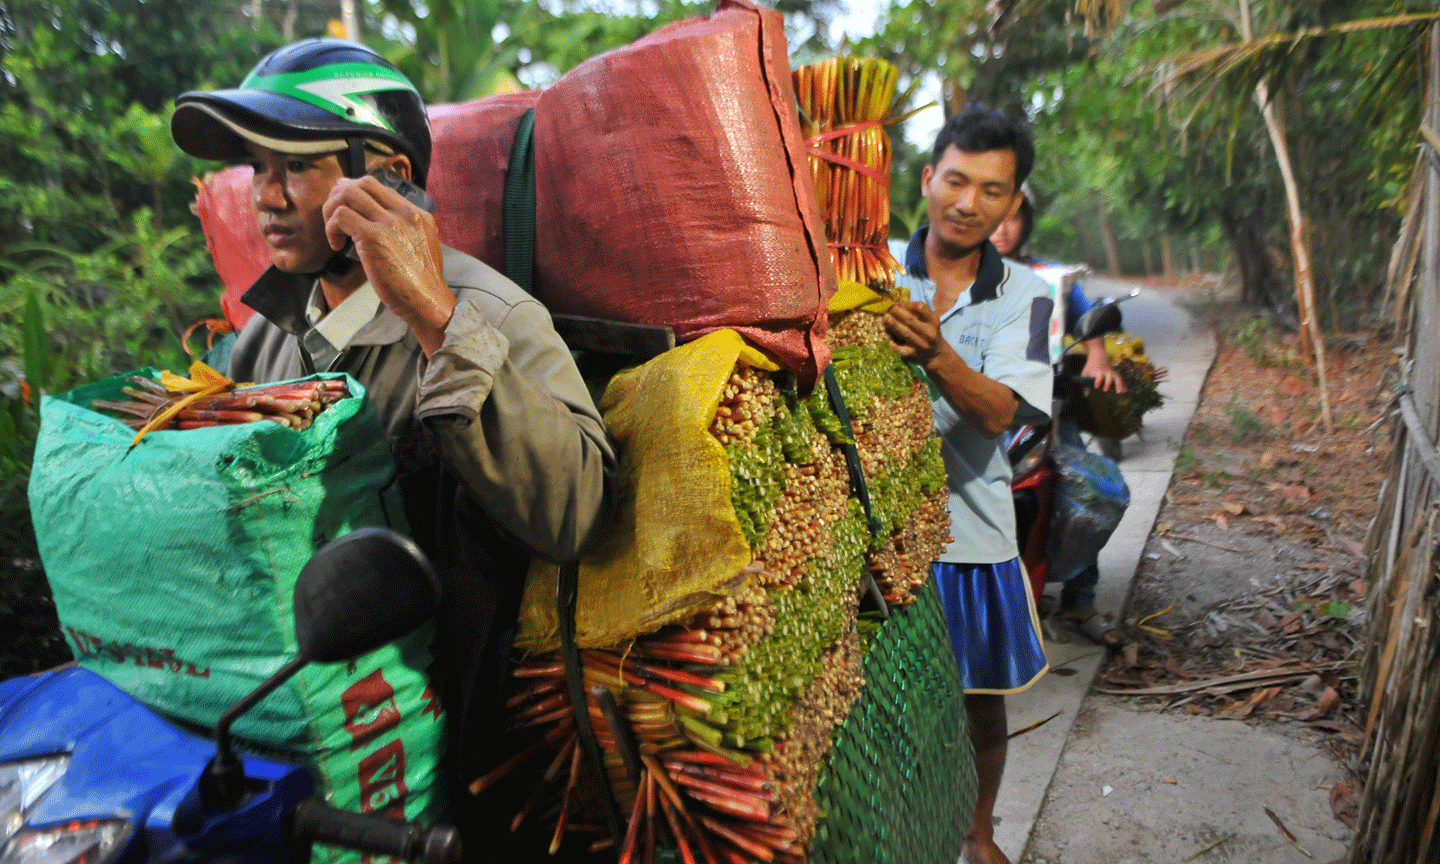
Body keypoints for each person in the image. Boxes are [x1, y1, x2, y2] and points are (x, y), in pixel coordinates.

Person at [168, 39, 617, 860]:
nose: (264, 197)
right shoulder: (264, 343)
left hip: (458, 773)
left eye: (293, 168)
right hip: (310, 746)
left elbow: (576, 513)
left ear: (386, 173)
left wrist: (440, 323)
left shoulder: (491, 313)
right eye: (255, 169)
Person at [882, 103, 1053, 864]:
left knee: (979, 708)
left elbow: (1001, 415)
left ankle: (976, 831)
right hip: (872, 531)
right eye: (956, 180)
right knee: (879, 706)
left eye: (992, 190)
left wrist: (939, 356)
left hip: (972, 533)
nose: (968, 202)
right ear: (927, 179)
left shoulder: (1031, 297)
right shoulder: (872, 271)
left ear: (1013, 203)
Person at [991, 194, 1123, 645]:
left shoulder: (1051, 275)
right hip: (980, 407)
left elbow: (1088, 319)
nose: (1002, 229)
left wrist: (1098, 357)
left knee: (1087, 493)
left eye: (1012, 219)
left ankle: (1079, 600)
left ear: (1025, 223)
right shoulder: (957, 273)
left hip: (1047, 407)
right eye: (995, 218)